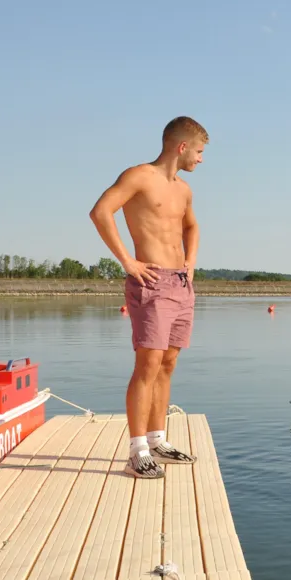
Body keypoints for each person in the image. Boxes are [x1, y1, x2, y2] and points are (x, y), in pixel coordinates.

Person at [88, 116, 207, 478]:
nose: (201, 159)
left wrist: (190, 262)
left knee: (168, 363)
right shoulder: (138, 176)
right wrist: (128, 261)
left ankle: (158, 440)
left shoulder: (184, 189)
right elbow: (100, 211)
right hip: (150, 281)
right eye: (199, 152)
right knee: (148, 365)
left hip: (181, 284)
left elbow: (191, 225)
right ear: (181, 147)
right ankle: (137, 450)